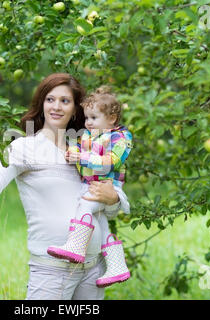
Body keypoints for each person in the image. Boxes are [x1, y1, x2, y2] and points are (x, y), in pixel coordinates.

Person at [0, 73, 130, 300]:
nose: (56, 107)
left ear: (75, 109)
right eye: (50, 99)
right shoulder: (24, 147)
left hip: (92, 269)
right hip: (52, 268)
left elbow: (106, 209)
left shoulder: (85, 149)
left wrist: (114, 199)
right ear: (42, 103)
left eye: (65, 101)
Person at [47, 86, 133, 288]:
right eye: (87, 118)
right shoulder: (88, 135)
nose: (88, 122)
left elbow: (111, 162)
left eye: (94, 118)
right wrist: (73, 154)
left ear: (111, 119)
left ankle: (76, 246)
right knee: (101, 224)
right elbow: (78, 150)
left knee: (85, 207)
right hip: (91, 185)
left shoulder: (120, 138)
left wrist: (83, 157)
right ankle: (117, 265)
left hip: (108, 186)